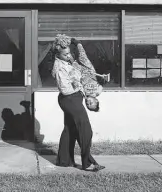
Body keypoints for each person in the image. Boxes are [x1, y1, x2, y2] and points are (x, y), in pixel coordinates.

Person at [51, 34, 105, 172]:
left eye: (69, 53)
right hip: (69, 99)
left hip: (73, 98)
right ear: (58, 55)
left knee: (70, 129)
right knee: (86, 130)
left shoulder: (66, 62)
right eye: (65, 54)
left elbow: (79, 63)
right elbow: (65, 89)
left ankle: (64, 161)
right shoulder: (59, 67)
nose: (68, 56)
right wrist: (78, 83)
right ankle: (88, 163)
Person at [70, 38, 110, 112]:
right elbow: (102, 82)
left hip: (81, 74)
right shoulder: (97, 92)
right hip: (90, 71)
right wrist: (101, 77)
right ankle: (78, 43)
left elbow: (78, 85)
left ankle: (68, 51)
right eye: (91, 103)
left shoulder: (83, 95)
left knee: (73, 63)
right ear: (96, 100)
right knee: (83, 57)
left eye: (87, 104)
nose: (88, 103)